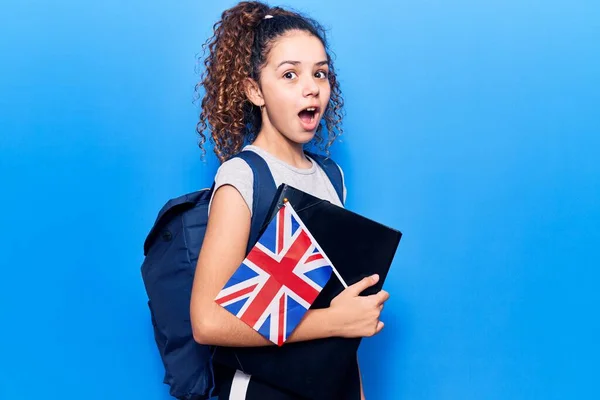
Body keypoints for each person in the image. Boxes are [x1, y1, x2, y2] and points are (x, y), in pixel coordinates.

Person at [189, 2, 390, 398]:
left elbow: (339, 310)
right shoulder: (244, 177)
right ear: (254, 91)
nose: (311, 86)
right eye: (289, 74)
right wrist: (334, 322)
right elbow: (208, 322)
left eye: (320, 73)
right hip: (264, 389)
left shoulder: (332, 178)